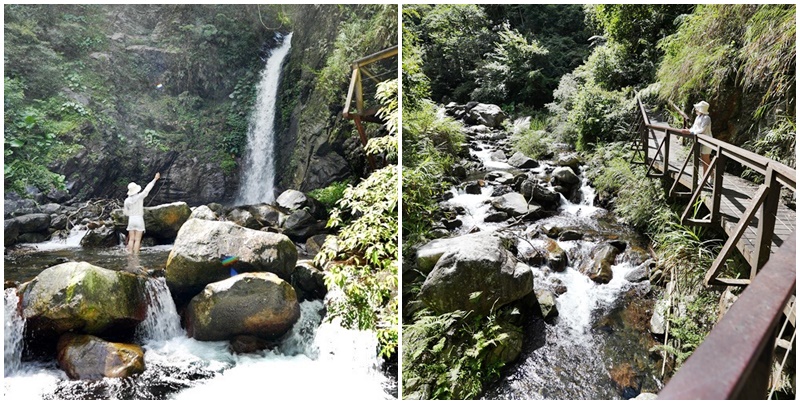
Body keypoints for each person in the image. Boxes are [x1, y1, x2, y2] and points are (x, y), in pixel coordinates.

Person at [123, 172, 160, 253]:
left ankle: (130, 254)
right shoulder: (140, 197)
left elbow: (126, 212)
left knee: (131, 239)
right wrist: (155, 179)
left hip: (131, 220)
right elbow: (147, 189)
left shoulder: (127, 200)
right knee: (137, 240)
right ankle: (136, 256)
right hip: (139, 220)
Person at [682, 101, 713, 178]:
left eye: (697, 108)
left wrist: (690, 132)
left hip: (707, 141)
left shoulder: (707, 118)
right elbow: (694, 128)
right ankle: (711, 175)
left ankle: (704, 178)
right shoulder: (698, 117)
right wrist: (689, 130)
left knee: (705, 159)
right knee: (704, 159)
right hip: (701, 140)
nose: (696, 110)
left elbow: (702, 130)